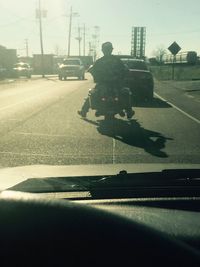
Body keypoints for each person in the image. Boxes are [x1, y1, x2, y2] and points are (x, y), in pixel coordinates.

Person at [78, 42, 134, 119]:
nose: (107, 51)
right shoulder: (116, 60)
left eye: (107, 49)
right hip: (115, 83)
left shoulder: (100, 61)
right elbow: (125, 69)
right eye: (107, 49)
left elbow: (92, 69)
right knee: (125, 92)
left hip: (103, 83)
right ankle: (129, 111)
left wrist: (93, 72)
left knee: (92, 92)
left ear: (103, 50)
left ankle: (83, 111)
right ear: (111, 50)